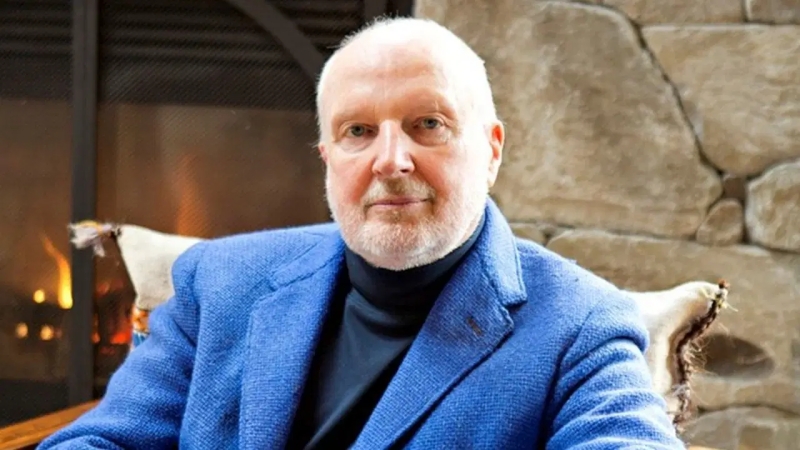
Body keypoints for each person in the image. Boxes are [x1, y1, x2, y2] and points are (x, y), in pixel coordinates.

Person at [41, 17, 684, 449]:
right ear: (327, 157)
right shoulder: (219, 282)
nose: (391, 160)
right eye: (358, 131)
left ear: (491, 150)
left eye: (428, 124)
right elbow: (99, 441)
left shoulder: (581, 326)